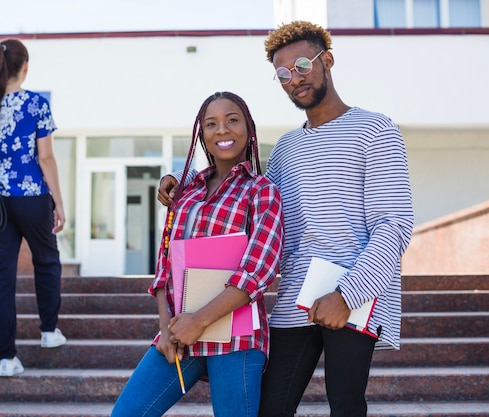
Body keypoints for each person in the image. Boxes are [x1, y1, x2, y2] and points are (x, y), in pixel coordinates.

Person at [157, 21, 414, 417]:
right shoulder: (287, 149)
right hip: (296, 296)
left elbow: (393, 225)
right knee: (271, 408)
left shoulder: (375, 130)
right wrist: (184, 179)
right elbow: (240, 183)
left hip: (355, 295)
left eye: (301, 65)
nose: (293, 78)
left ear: (326, 61)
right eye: (282, 73)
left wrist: (347, 294)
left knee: (346, 406)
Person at [111, 92, 284, 417]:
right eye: (211, 123)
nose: (222, 130)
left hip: (236, 337)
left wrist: (198, 321)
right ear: (200, 133)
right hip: (181, 330)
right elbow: (165, 267)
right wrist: (167, 328)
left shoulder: (261, 190)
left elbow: (258, 270)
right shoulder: (186, 192)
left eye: (232, 120)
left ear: (248, 128)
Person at [0, 39, 67, 377]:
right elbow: (46, 157)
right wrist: (58, 200)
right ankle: (48, 331)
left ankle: (7, 358)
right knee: (46, 260)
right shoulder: (35, 103)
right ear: (25, 67)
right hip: (31, 196)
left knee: (0, 277)